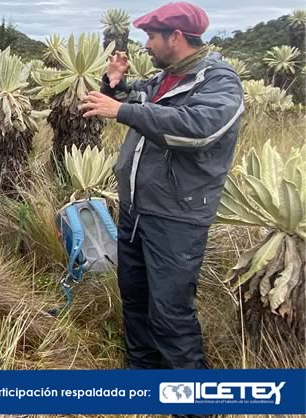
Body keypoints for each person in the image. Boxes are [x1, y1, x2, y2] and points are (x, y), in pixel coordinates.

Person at [79, 2, 243, 376]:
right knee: (135, 298)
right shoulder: (164, 79)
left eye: (152, 37)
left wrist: (120, 111)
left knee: (171, 311)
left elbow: (200, 128)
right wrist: (115, 84)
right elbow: (131, 101)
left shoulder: (219, 80)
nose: (146, 45)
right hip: (137, 209)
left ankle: (191, 404)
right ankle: (144, 373)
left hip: (176, 216)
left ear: (176, 37)